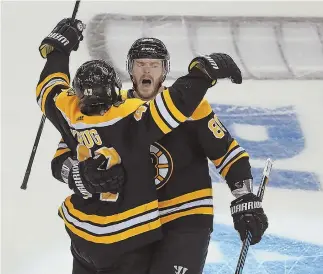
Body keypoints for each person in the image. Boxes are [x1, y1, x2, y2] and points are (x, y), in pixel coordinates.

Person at [37, 18, 243, 274]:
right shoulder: (125, 111)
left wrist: (245, 198)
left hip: (181, 218)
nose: (147, 71)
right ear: (129, 71)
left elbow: (227, 153)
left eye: (154, 65)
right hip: (135, 228)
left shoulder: (79, 110)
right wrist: (80, 176)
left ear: (164, 70)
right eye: (140, 65)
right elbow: (62, 160)